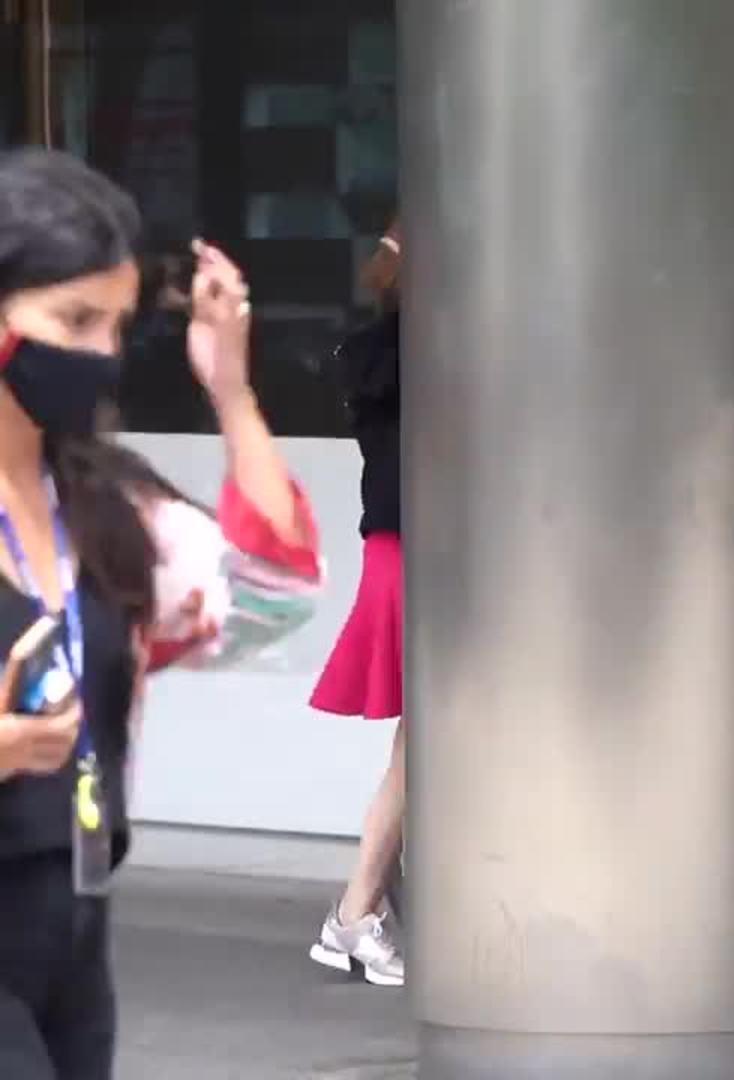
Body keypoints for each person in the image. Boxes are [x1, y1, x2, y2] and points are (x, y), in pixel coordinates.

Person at [0, 148, 322, 1078]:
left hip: (73, 930)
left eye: (117, 325)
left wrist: (231, 391)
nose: (100, 353)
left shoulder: (104, 506)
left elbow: (270, 597)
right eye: (74, 320)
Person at [306, 220, 406, 987]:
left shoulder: (374, 354)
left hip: (396, 552)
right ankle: (355, 911)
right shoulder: (428, 359)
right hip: (423, 557)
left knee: (426, 741)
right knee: (425, 746)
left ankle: (364, 908)